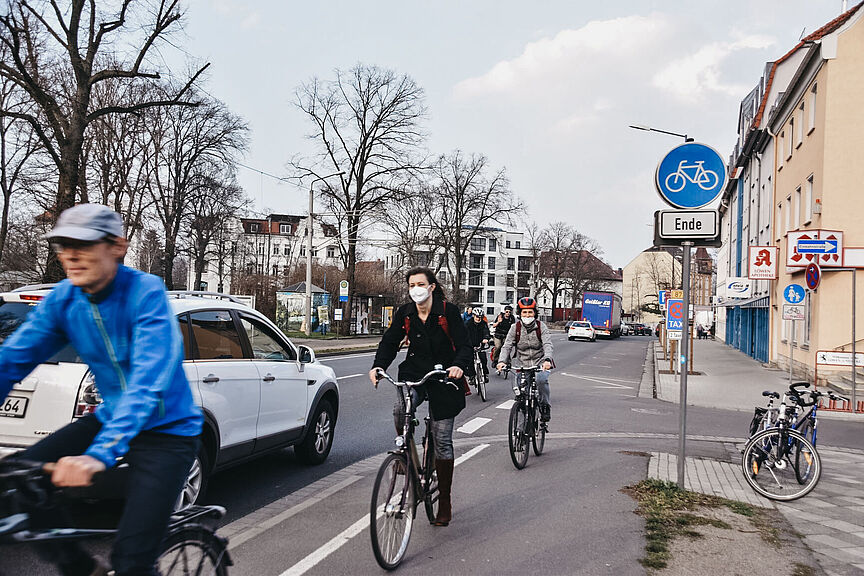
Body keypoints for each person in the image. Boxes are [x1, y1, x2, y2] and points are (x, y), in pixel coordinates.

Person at [0, 204, 203, 576]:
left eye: (84, 244)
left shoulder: (145, 292)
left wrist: (99, 454)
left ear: (117, 247)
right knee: (21, 482)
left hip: (167, 432)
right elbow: (11, 360)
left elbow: (147, 381)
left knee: (132, 561)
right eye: (63, 245)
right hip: (110, 417)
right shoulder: (64, 300)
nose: (70, 255)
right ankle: (82, 569)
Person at [369, 267, 470, 527]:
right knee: (400, 409)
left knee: (442, 440)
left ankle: (444, 500)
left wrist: (458, 366)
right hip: (415, 372)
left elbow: (464, 345)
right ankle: (406, 456)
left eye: (421, 284)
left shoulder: (448, 312)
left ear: (432, 287)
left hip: (445, 377)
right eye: (412, 285)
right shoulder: (406, 313)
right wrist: (378, 366)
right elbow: (390, 342)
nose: (416, 289)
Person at [497, 297, 555, 422]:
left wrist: (547, 359)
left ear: (534, 313)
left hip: (540, 363)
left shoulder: (541, 327)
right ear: (520, 313)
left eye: (530, 312)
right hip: (522, 364)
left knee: (541, 380)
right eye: (524, 312)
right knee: (521, 396)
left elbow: (547, 344)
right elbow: (507, 346)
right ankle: (520, 428)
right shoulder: (515, 328)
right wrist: (501, 361)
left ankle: (545, 406)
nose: (527, 315)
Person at [465, 307, 492, 383]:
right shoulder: (468, 323)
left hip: (480, 343)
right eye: (477, 317)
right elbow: (465, 334)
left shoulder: (483, 323)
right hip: (470, 343)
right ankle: (471, 376)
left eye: (480, 317)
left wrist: (486, 338)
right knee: (470, 360)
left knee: (483, 359)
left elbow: (486, 332)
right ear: (473, 316)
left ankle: (485, 374)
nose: (478, 319)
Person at [491, 305, 515, 372]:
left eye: (509, 312)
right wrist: (498, 322)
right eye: (507, 312)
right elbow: (493, 325)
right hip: (498, 334)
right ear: (504, 311)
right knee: (498, 346)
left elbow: (513, 327)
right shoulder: (500, 316)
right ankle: (495, 360)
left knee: (507, 347)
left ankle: (508, 361)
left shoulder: (511, 318)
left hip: (506, 335)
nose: (508, 313)